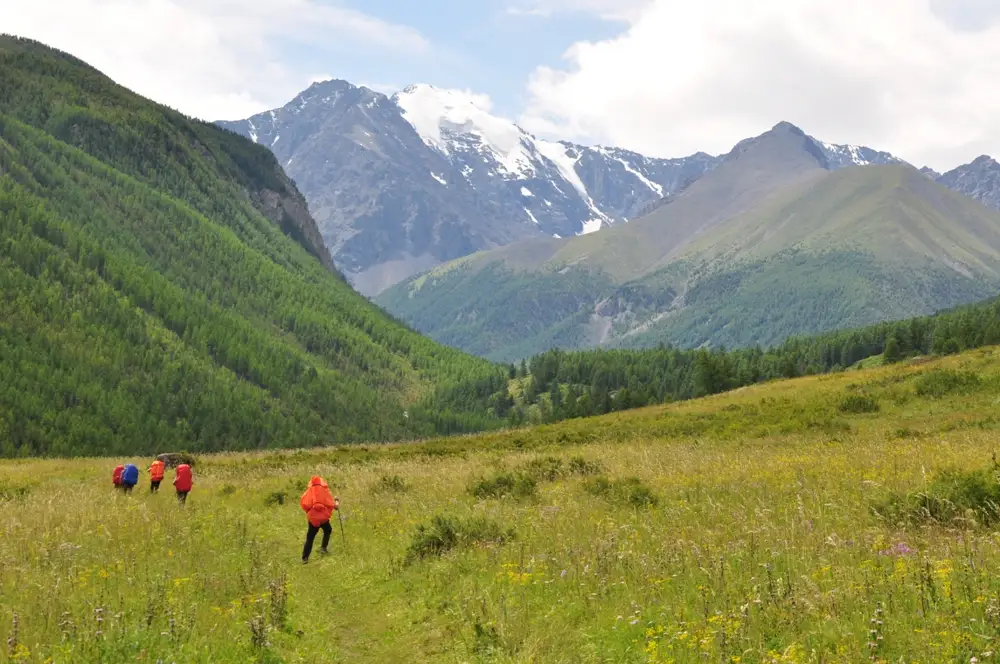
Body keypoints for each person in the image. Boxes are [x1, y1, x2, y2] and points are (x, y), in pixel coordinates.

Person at [299, 476, 339, 564]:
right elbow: (335, 507)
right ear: (322, 482)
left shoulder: (309, 492)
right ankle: (323, 548)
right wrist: (336, 500)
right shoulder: (324, 491)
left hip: (313, 518)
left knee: (310, 537)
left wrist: (310, 512)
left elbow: (304, 504)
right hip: (323, 517)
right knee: (328, 530)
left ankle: (305, 558)